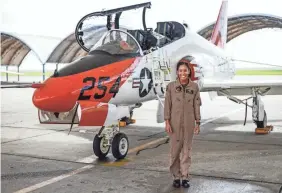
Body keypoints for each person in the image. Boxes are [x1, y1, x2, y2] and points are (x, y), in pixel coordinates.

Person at [164, 60, 202, 188]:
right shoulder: (171, 87)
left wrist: (198, 122)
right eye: (180, 71)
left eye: (185, 70)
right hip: (174, 123)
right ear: (177, 72)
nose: (183, 73)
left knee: (187, 151)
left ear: (189, 71)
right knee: (175, 151)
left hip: (189, 123)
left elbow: (196, 106)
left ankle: (185, 176)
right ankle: (176, 176)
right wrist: (167, 121)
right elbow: (167, 106)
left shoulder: (194, 87)